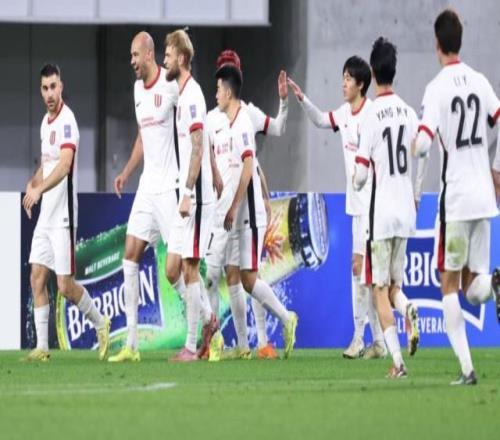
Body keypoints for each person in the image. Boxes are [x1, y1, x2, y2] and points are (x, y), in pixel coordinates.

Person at [288, 56, 419, 359]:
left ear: (361, 84)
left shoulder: (373, 114)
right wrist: (302, 99)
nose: (343, 83)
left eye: (348, 78)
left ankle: (362, 338)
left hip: (374, 207)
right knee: (366, 274)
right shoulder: (345, 113)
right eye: (343, 77)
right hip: (360, 207)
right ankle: (378, 341)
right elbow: (322, 120)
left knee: (362, 271)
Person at [412, 9, 500, 385]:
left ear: (437, 43)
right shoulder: (480, 81)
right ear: (459, 41)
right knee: (474, 287)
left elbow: (422, 145)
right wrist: (497, 169)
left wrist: (417, 142)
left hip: (458, 199)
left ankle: (467, 369)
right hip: (484, 197)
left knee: (447, 284)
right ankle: (496, 284)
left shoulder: (436, 88)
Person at [205, 50, 288, 359]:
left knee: (250, 274)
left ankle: (263, 340)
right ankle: (242, 344)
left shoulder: (247, 113)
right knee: (231, 275)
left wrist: (264, 195)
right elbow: (209, 157)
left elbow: (260, 152)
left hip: (244, 204)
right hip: (222, 208)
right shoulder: (212, 118)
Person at [23, 63, 109, 362]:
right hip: (46, 216)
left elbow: (63, 166)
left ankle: (101, 323)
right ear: (41, 90)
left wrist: (39, 190)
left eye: (53, 87)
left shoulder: (67, 121)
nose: (49, 93)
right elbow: (47, 163)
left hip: (63, 217)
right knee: (36, 277)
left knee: (65, 286)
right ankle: (42, 348)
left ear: (61, 87)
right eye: (44, 88)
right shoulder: (45, 123)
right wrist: (33, 182)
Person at [108, 32, 179, 362]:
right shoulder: (138, 90)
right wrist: (126, 172)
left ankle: (208, 324)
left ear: (150, 54)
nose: (132, 61)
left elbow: (193, 127)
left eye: (136, 55)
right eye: (130, 56)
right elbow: (142, 137)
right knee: (129, 256)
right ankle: (132, 345)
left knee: (176, 271)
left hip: (170, 189)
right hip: (147, 188)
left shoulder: (171, 85)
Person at [353, 37, 418, 378]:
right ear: (394, 69)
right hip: (406, 211)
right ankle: (408, 308)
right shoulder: (409, 112)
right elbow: (420, 154)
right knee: (394, 288)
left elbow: (362, 176)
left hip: (381, 216)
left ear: (373, 73)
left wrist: (355, 178)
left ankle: (398, 363)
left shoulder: (370, 116)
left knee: (378, 289)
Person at [163, 29, 219, 362]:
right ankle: (209, 316)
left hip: (195, 197)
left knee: (189, 267)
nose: (164, 61)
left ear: (182, 59)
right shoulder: (182, 94)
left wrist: (187, 193)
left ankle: (190, 345)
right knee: (171, 269)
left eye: (168, 55)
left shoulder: (194, 96)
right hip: (185, 194)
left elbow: (197, 147)